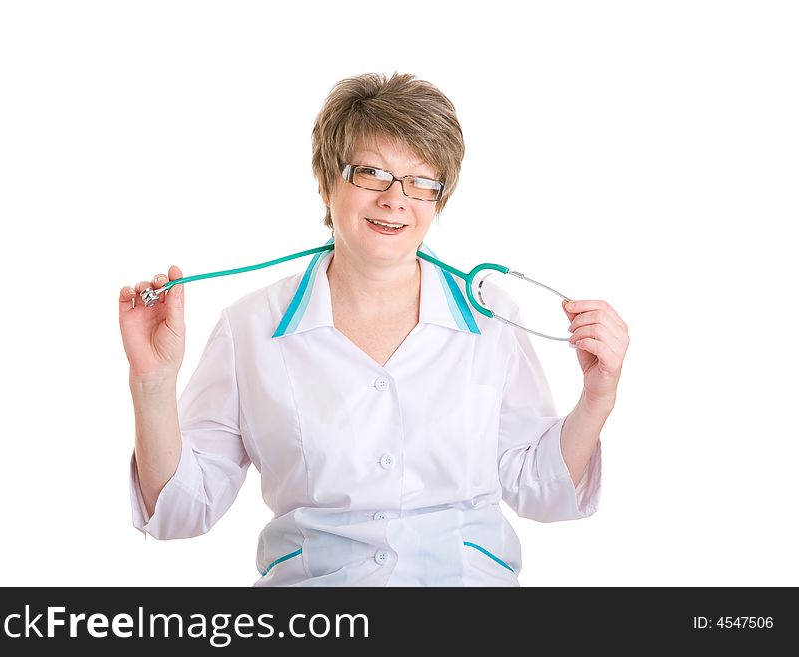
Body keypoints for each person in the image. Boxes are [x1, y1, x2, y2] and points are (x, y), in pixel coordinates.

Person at [118, 72, 629, 586]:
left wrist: (598, 396)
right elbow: (182, 513)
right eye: (370, 173)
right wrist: (152, 386)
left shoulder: (491, 315)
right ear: (325, 181)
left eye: (420, 181)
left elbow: (544, 492)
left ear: (439, 197)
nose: (395, 198)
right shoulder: (249, 328)